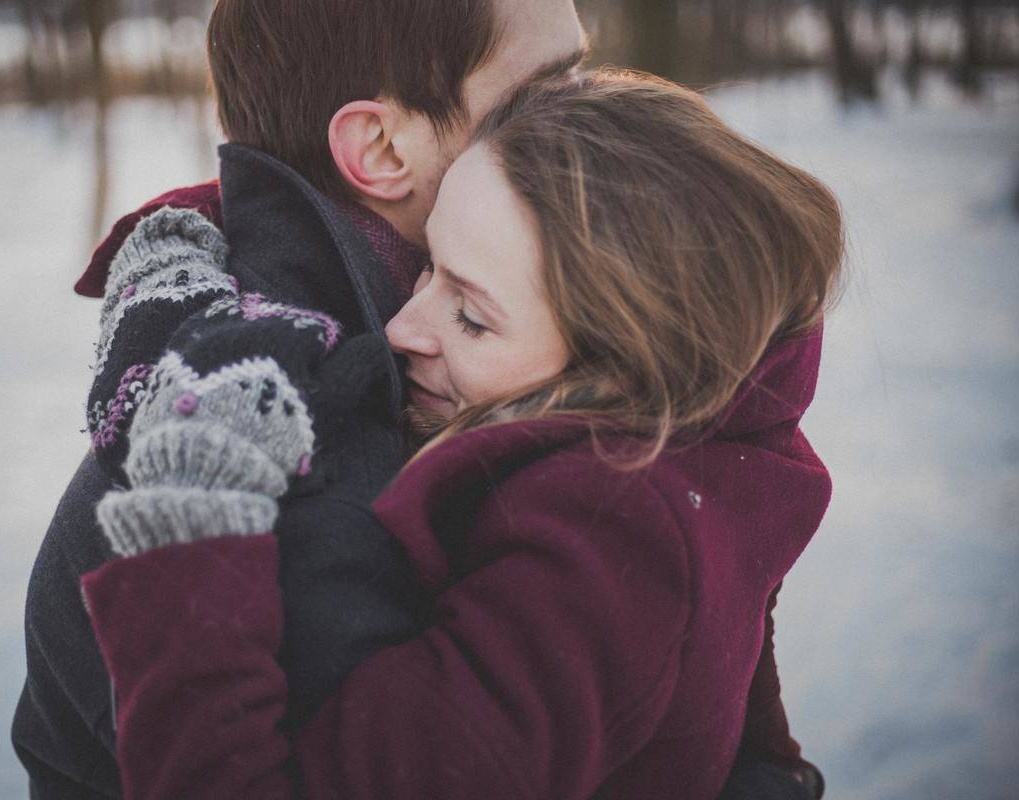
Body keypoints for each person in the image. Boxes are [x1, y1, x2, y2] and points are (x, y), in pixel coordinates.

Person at [79, 70, 843, 798]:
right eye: (428, 265)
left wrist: (192, 517)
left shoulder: (600, 558)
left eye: (472, 317)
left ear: (623, 369)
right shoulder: (714, 453)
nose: (403, 328)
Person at [12, 2, 590, 796]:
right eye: (548, 92)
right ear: (381, 148)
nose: (599, 117)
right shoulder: (304, 466)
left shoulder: (432, 349)